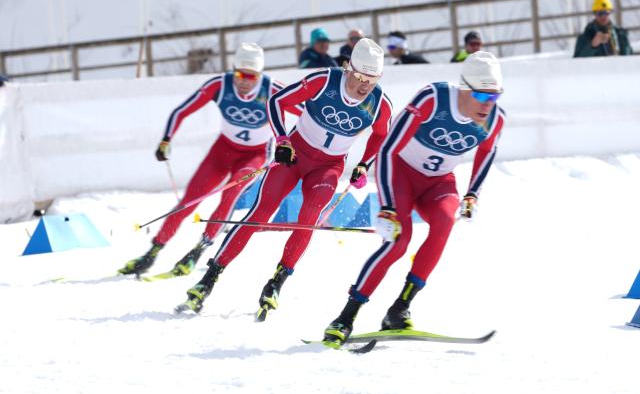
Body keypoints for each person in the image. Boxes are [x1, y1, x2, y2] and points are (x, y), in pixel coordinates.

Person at [177, 38, 394, 317]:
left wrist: (364, 164)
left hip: (328, 167)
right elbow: (277, 101)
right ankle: (210, 277)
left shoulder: (379, 103)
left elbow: (381, 135)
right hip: (294, 155)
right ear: (348, 68)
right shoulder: (324, 81)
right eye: (361, 76)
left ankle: (277, 281)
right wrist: (281, 140)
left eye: (372, 79)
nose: (365, 85)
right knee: (260, 213)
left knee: (308, 220)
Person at [322, 51, 506, 347]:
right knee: (399, 241)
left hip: (439, 182)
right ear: (466, 89)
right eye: (483, 96)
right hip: (401, 175)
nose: (488, 104)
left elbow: (487, 153)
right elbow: (388, 150)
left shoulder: (494, 118)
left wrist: (472, 194)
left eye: (495, 96)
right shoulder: (432, 99)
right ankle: (345, 316)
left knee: (445, 223)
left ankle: (399, 308)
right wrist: (388, 207)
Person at [118, 43, 302, 277]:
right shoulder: (220, 85)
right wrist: (166, 140)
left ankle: (198, 251)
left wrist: (291, 144)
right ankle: (153, 251)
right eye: (240, 74)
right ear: (234, 70)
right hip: (223, 151)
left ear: (260, 74)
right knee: (190, 200)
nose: (245, 81)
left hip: (254, 155)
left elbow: (308, 114)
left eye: (251, 76)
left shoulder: (273, 89)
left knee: (229, 196)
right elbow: (181, 111)